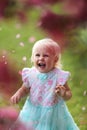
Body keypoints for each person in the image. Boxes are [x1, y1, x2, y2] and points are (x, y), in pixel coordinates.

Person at [10, 38, 79, 130]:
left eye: (46, 55)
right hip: (32, 110)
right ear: (33, 57)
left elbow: (69, 94)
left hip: (52, 114)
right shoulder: (31, 74)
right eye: (37, 55)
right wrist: (18, 94)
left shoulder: (58, 76)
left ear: (55, 59)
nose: (41, 58)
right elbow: (25, 88)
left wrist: (64, 94)